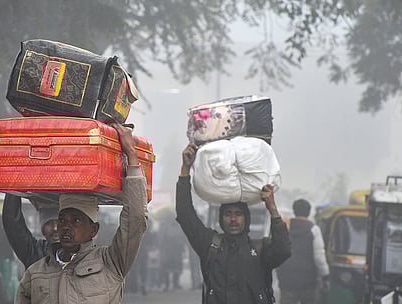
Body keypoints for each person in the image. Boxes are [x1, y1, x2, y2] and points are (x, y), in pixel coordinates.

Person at [16, 123, 148, 304]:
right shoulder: (36, 273)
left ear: (93, 230)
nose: (66, 226)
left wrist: (132, 156)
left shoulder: (111, 262)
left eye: (76, 220)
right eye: (62, 220)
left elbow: (136, 220)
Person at [176, 143, 291, 304]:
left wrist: (272, 209)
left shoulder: (260, 250)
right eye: (228, 214)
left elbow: (284, 250)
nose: (233, 219)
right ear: (221, 219)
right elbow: (185, 214)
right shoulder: (210, 245)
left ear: (246, 218)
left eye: (238, 214)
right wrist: (185, 170)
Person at [277, 199, 330, 304]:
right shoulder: (314, 229)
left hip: (287, 280)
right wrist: (325, 275)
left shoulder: (284, 227)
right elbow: (319, 257)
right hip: (308, 282)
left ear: (294, 210)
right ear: (309, 212)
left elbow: (277, 251)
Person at [3, 193, 59, 269]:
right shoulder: (35, 254)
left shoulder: (79, 255)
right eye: (49, 223)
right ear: (43, 230)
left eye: (59, 222)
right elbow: (12, 222)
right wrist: (13, 188)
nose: (55, 228)